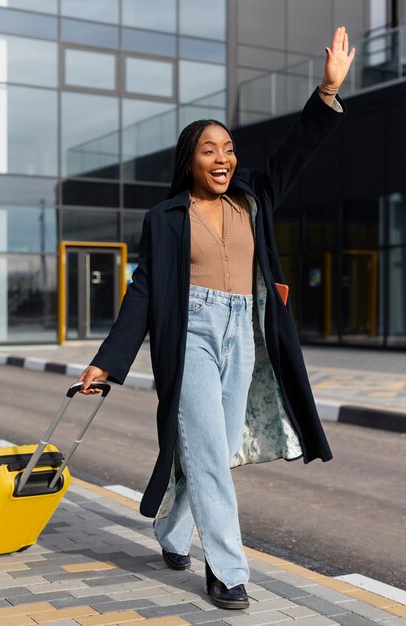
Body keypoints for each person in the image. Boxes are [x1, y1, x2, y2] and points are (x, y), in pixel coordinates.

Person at [79, 27, 355, 610]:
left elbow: (295, 151)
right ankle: (227, 572)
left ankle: (173, 529)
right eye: (210, 150)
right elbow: (143, 292)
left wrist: (326, 92)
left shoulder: (252, 196)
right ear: (190, 161)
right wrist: (107, 363)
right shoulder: (166, 218)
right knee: (205, 451)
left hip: (244, 333)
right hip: (191, 335)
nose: (224, 157)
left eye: (228, 148)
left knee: (217, 447)